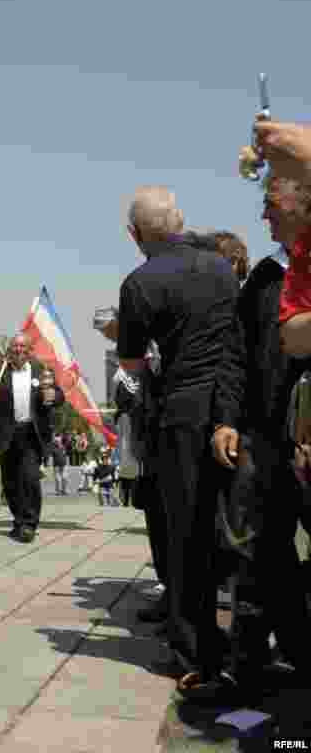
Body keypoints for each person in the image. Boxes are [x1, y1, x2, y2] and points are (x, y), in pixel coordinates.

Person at [117, 185, 239, 698]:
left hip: (181, 415)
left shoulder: (140, 281)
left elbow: (130, 364)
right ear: (181, 219)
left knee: (184, 535)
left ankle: (195, 655)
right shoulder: (221, 267)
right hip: (232, 409)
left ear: (134, 233)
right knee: (227, 530)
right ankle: (245, 645)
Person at [210, 171, 311, 687]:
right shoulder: (266, 278)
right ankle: (248, 666)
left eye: (272, 201)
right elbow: (235, 355)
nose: (264, 213)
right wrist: (227, 420)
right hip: (264, 439)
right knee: (254, 550)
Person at [0, 334, 64, 543]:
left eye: (22, 346)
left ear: (29, 349)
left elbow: (59, 394)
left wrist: (53, 396)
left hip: (32, 433)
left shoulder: (41, 370)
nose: (18, 349)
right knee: (10, 482)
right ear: (10, 349)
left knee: (30, 478)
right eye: (15, 346)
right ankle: (18, 519)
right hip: (7, 433)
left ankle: (29, 523)